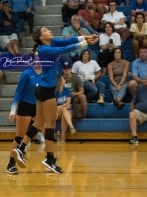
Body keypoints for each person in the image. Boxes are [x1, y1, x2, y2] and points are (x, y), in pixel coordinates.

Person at [10, 27, 98, 174]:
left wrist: (85, 37)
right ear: (41, 37)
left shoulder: (52, 42)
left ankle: (21, 149)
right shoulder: (44, 49)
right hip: (46, 91)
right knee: (50, 125)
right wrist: (85, 43)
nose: (49, 30)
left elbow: (67, 41)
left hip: (43, 90)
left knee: (38, 123)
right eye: (45, 30)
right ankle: (49, 159)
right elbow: (64, 49)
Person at [7, 56, 45, 174]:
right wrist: (13, 109)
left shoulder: (46, 72)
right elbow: (18, 91)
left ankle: (49, 160)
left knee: (48, 132)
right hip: (26, 105)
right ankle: (11, 164)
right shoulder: (27, 73)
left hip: (39, 106)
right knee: (19, 137)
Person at [56, 75, 76, 142]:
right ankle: (71, 127)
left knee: (64, 114)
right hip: (57, 112)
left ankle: (63, 137)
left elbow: (68, 102)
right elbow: (54, 106)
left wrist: (60, 107)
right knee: (64, 109)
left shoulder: (67, 90)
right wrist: (63, 107)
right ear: (60, 82)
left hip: (68, 110)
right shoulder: (54, 92)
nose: (65, 81)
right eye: (63, 80)